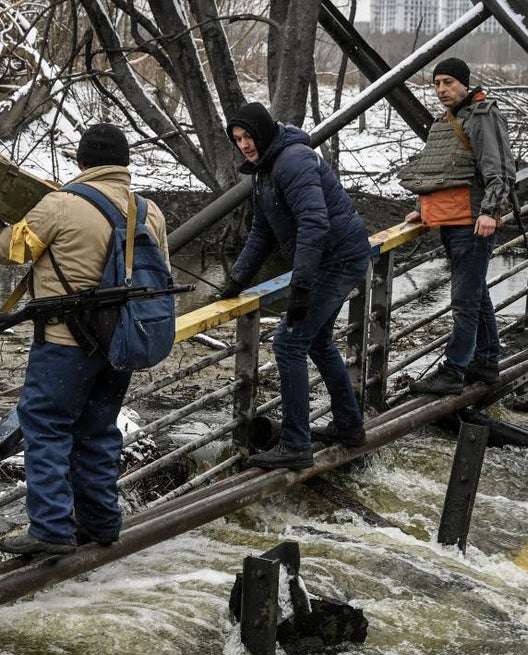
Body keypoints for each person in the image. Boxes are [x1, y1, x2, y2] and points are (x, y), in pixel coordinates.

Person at [0, 124, 169, 554]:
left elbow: (14, 250)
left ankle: (51, 528)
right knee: (98, 430)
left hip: (64, 343)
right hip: (121, 343)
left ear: (82, 162)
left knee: (46, 426)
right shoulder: (149, 211)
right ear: (124, 163)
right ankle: (101, 523)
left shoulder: (61, 204)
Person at [219, 103, 372, 470]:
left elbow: (314, 222)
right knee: (316, 340)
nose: (244, 144)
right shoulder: (265, 170)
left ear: (264, 133)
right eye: (238, 139)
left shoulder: (292, 160)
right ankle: (349, 425)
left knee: (288, 342)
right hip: (332, 258)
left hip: (338, 258)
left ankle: (295, 444)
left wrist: (301, 286)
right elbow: (262, 230)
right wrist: (235, 280)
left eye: (248, 137)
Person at [399, 58, 513, 395]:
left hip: (473, 223)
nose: (441, 90)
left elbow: (498, 169)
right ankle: (487, 361)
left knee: (464, 299)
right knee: (476, 296)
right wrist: (426, 209)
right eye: (436, 83)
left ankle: (453, 371)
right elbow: (446, 171)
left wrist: (490, 211)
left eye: (448, 82)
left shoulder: (480, 115)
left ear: (465, 82)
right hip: (454, 220)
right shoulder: (454, 118)